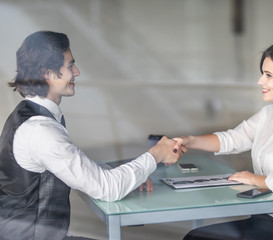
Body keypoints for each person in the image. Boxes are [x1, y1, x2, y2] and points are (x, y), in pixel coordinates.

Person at [0, 31, 182, 240]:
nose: (76, 72)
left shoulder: (28, 116)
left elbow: (83, 168)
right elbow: (106, 188)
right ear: (47, 72)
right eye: (70, 66)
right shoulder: (40, 131)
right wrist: (156, 154)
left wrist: (134, 174)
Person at [174, 41, 273, 240]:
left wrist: (252, 179)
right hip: (262, 219)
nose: (261, 81)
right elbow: (232, 139)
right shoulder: (267, 114)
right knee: (195, 236)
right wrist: (188, 140)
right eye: (262, 74)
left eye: (268, 75)